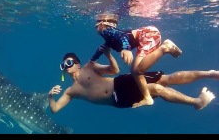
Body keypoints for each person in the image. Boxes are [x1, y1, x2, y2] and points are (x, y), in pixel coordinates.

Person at [48, 47, 216, 113]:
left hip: (121, 82)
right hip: (117, 98)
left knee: (165, 79)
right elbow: (55, 109)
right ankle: (196, 102)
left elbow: (114, 70)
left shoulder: (88, 67)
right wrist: (50, 96)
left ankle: (208, 74)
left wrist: (108, 55)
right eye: (63, 65)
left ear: (76, 63)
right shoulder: (70, 91)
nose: (67, 66)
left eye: (69, 62)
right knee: (156, 89)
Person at [90, 13, 183, 108]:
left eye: (96, 26)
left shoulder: (106, 31)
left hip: (148, 35)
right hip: (149, 34)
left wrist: (126, 48)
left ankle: (165, 48)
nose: (96, 28)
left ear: (102, 25)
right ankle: (172, 50)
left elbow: (122, 36)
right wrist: (92, 60)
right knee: (136, 71)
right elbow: (102, 48)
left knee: (136, 71)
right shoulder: (109, 38)